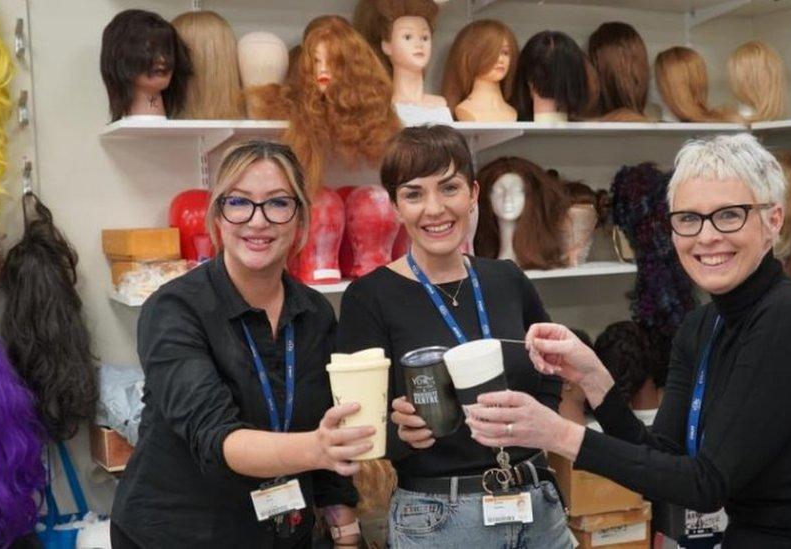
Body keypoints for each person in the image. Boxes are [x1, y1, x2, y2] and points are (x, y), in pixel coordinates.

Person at [466, 133, 791, 548]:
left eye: (729, 215)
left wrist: (558, 433)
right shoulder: (702, 327)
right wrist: (595, 379)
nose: (707, 236)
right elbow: (662, 461)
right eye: (688, 219)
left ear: (773, 220)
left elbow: (706, 484)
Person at [111, 140, 373, 548]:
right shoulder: (174, 310)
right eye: (239, 202)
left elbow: (328, 426)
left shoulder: (315, 313)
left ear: (300, 220)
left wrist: (346, 532)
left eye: (278, 203)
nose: (258, 221)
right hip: (179, 533)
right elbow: (217, 439)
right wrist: (316, 448)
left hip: (283, 533)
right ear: (218, 217)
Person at [336, 125, 572, 548]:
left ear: (473, 193)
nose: (434, 209)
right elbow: (356, 428)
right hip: (441, 519)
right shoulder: (370, 297)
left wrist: (541, 424)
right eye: (413, 194)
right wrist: (399, 435)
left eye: (449, 188)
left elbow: (553, 366)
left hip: (538, 506)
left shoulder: (507, 279)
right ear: (395, 205)